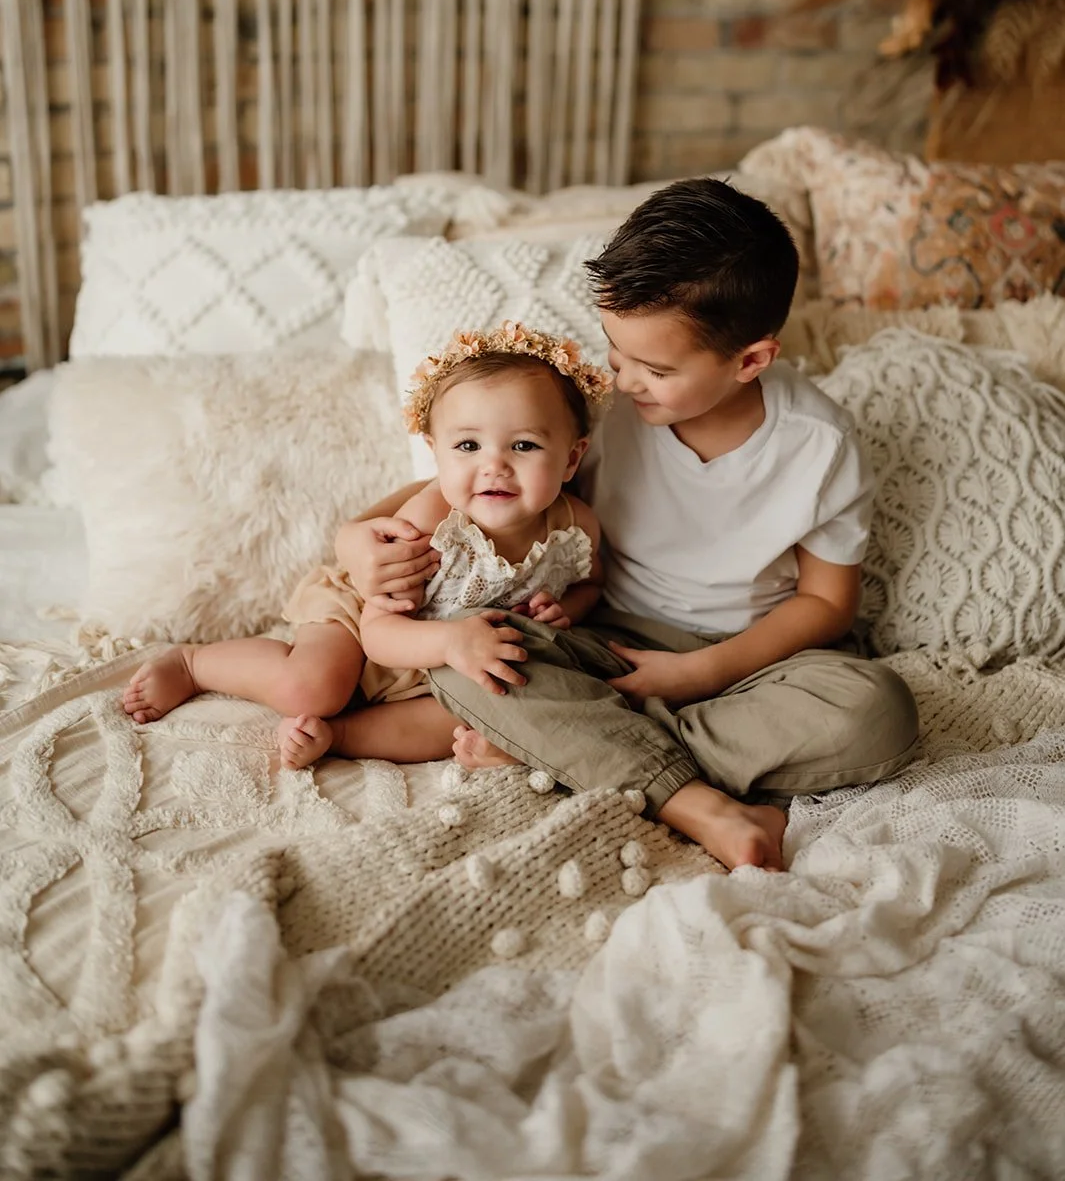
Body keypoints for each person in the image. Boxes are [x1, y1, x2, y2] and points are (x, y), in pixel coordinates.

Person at [337, 178, 920, 873]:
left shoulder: (820, 446)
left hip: (754, 662)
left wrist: (698, 670)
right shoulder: (606, 412)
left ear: (750, 361)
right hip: (600, 643)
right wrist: (354, 535)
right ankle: (692, 802)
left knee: (877, 710)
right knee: (477, 649)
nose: (624, 379)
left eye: (653, 368)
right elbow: (476, 485)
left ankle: (566, 749)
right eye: (616, 355)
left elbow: (827, 603)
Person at [122, 322, 611, 770]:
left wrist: (563, 608)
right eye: (468, 446)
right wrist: (448, 641)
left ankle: (336, 737)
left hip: (444, 668)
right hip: (363, 625)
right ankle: (193, 664)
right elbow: (380, 632)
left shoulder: (576, 526)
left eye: (524, 446)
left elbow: (591, 584)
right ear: (435, 451)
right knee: (312, 687)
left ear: (571, 458)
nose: (494, 466)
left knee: (467, 719)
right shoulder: (432, 521)